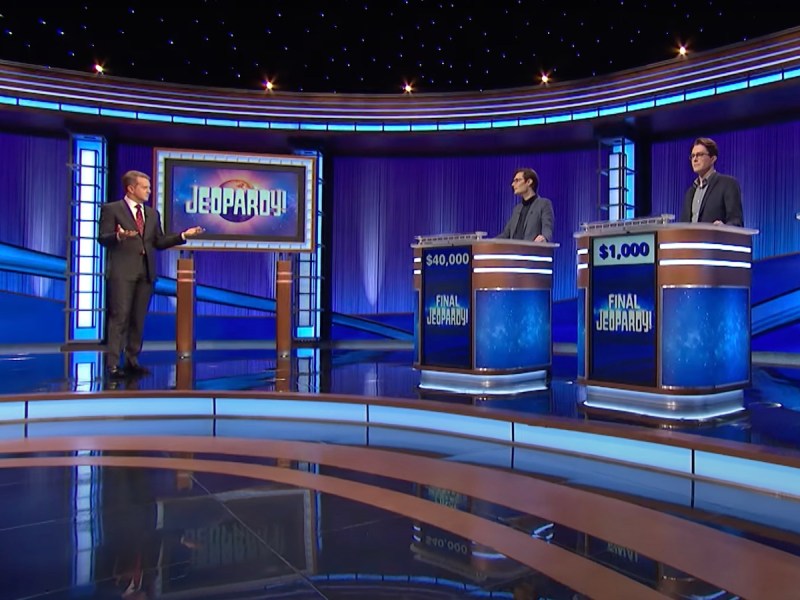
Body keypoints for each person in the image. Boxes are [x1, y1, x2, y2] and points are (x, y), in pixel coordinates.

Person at [98, 170, 203, 379]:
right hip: (122, 272)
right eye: (144, 187)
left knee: (138, 319)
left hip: (146, 273)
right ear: (131, 188)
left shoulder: (152, 214)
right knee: (120, 317)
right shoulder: (112, 210)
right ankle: (112, 364)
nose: (149, 191)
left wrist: (182, 236)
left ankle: (132, 360)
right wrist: (118, 235)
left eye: (148, 187)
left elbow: (158, 241)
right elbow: (103, 238)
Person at [679, 137, 743, 226]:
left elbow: (736, 221)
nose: (695, 159)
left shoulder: (728, 184)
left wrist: (724, 227)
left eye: (699, 154)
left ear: (712, 159)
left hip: (717, 239)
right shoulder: (690, 192)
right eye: (692, 156)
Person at [496, 168, 554, 242]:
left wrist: (544, 237)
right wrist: (487, 243)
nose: (513, 184)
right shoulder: (517, 208)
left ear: (529, 182)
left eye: (517, 180)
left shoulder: (544, 204)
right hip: (513, 251)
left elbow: (547, 229)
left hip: (531, 251)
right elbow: (506, 234)